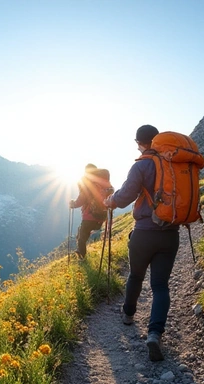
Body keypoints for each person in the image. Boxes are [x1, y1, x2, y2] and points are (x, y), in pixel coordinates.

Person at [104, 125, 179, 362]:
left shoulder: (141, 165)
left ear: (140, 143)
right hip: (170, 233)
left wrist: (110, 201)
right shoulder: (174, 165)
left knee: (136, 275)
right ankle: (155, 334)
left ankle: (128, 314)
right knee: (160, 285)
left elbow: (125, 196)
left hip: (144, 233)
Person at [69, 164, 111, 260]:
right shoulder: (104, 183)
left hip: (89, 216)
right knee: (82, 233)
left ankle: (81, 257)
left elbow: (81, 200)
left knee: (81, 237)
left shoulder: (87, 184)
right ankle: (82, 252)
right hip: (102, 217)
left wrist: (73, 204)